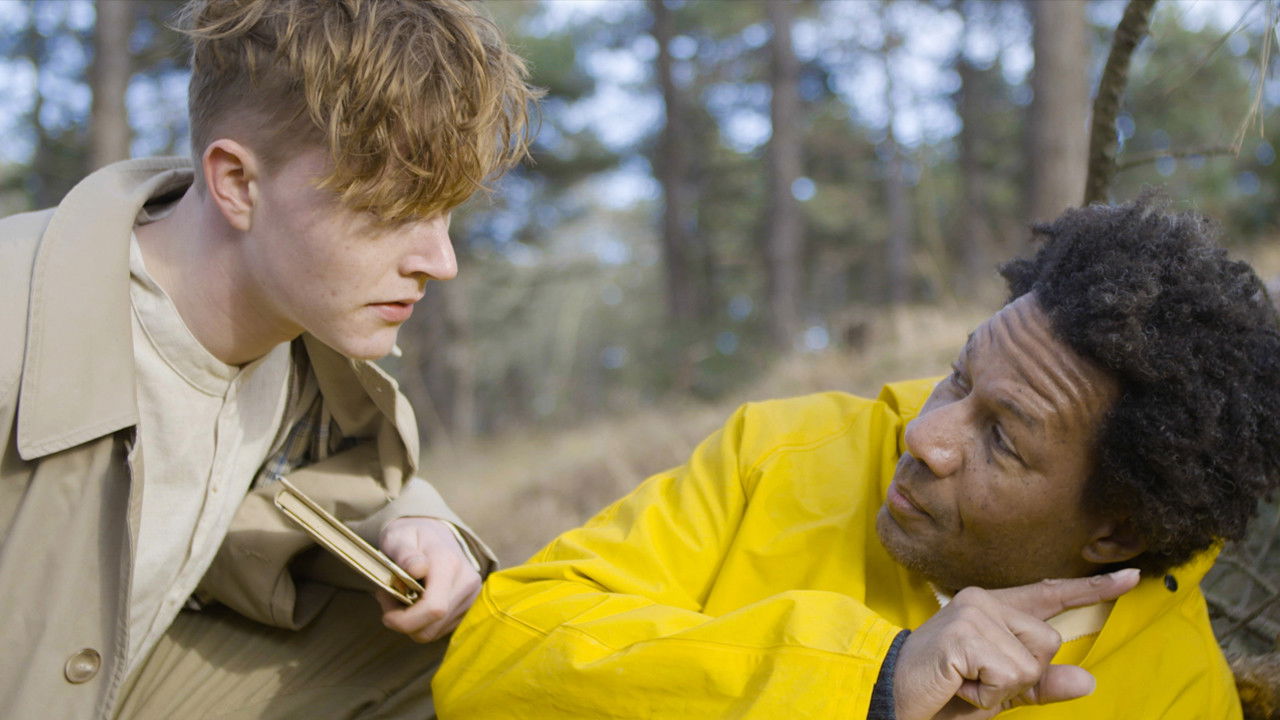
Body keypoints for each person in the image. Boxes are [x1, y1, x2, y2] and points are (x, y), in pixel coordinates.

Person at [433, 197, 1280, 719]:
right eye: (958, 377)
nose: (927, 435)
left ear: (1115, 534)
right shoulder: (784, 455)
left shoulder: (1175, 697)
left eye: (1002, 439)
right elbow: (496, 661)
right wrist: (869, 686)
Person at [0, 1, 537, 718]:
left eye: (445, 211)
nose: (441, 262)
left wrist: (418, 525)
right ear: (237, 184)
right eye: (391, 209)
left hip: (120, 685)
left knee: (472, 651)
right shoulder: (17, 323)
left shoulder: (302, 353)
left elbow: (324, 477)